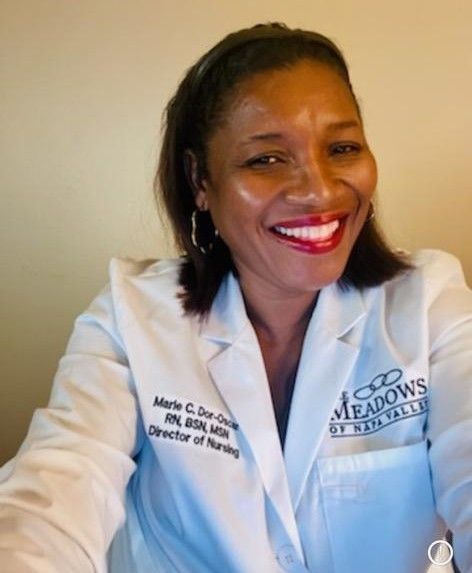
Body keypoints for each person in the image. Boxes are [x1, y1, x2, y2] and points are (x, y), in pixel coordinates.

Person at [0, 22, 470, 573]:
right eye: (266, 159)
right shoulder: (133, 315)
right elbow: (58, 487)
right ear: (201, 181)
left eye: (342, 148)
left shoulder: (429, 301)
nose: (319, 189)